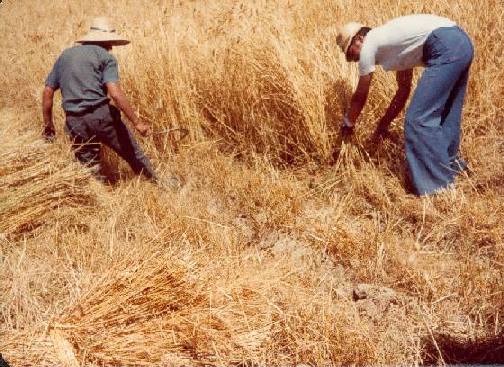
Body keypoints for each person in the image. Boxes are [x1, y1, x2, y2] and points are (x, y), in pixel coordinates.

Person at [336, 14, 474, 195]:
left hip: (446, 46)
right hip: (461, 42)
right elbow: (403, 91)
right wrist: (383, 124)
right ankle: (450, 166)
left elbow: (361, 94)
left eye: (349, 52)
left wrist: (348, 123)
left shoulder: (370, 42)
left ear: (359, 39)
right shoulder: (394, 45)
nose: (352, 59)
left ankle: (438, 189)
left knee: (417, 120)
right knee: (447, 112)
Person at [42, 17, 160, 184]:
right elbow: (115, 93)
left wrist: (48, 126)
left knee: (90, 168)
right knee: (133, 155)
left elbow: (48, 91)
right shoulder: (105, 57)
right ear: (105, 41)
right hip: (101, 116)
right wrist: (137, 122)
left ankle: (102, 200)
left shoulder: (65, 56)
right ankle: (160, 185)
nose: (111, 47)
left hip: (74, 121)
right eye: (110, 42)